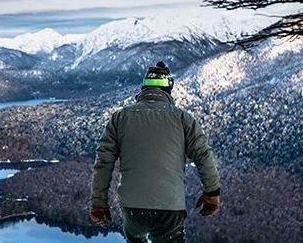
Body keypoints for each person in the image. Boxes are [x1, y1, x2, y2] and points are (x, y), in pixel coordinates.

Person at [89, 61, 221, 243]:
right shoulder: (183, 118)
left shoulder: (120, 117)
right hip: (169, 204)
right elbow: (203, 156)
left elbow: (104, 162)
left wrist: (98, 202)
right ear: (169, 89)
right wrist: (211, 192)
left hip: (132, 206)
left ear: (144, 88)